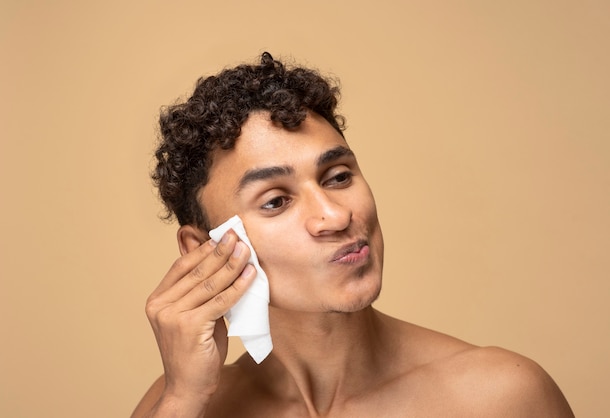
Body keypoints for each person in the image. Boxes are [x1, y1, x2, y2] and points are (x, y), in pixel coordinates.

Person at [132, 52, 574, 417]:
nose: (335, 215)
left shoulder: (499, 398)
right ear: (205, 248)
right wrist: (181, 400)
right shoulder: (181, 405)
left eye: (338, 176)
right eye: (275, 201)